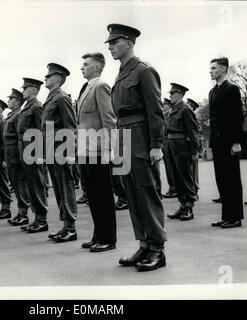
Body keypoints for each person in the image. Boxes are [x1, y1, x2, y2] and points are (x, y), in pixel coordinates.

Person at [106, 24, 166, 270]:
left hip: (140, 137)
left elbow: (156, 111)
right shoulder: (121, 73)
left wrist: (156, 145)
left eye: (114, 42)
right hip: (123, 137)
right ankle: (144, 245)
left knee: (146, 192)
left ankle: (157, 250)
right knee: (131, 193)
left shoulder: (144, 71)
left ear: (129, 42)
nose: (110, 47)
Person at [77, 52, 118, 252]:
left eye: (86, 64)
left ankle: (108, 238)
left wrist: (110, 148)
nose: (82, 67)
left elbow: (109, 119)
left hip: (98, 149)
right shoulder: (86, 87)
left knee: (103, 195)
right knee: (93, 195)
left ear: (97, 67)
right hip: (85, 150)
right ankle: (98, 234)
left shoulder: (101, 86)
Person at [42, 63, 78, 242]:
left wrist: (70, 153)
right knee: (57, 188)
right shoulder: (51, 98)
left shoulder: (62, 98)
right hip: (51, 149)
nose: (45, 79)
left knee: (66, 186)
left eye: (48, 76)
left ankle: (71, 227)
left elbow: (71, 126)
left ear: (57, 79)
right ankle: (65, 225)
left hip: (61, 149)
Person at [209, 57, 244, 228]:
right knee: (222, 179)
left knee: (232, 179)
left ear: (223, 69)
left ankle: (235, 217)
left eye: (214, 68)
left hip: (229, 142)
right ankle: (227, 216)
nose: (211, 71)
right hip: (217, 142)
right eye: (211, 68)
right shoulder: (213, 91)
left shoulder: (232, 89)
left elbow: (237, 117)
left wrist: (237, 142)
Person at [18, 78, 49, 233]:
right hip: (25, 148)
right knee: (31, 184)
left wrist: (40, 154)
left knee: (37, 184)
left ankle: (42, 220)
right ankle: (37, 218)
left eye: (25, 88)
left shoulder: (36, 106)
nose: (22, 91)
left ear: (34, 90)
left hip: (32, 149)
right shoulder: (27, 106)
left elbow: (40, 131)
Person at [165, 83, 199, 221]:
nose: (170, 96)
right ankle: (182, 205)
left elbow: (193, 132)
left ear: (180, 94)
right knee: (176, 178)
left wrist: (194, 151)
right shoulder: (174, 109)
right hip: (172, 145)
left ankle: (189, 207)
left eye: (172, 94)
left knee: (185, 177)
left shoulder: (185, 109)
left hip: (182, 145)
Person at [4, 89, 31, 226]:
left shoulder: (18, 115)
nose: (8, 101)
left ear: (18, 101)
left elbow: (19, 135)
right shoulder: (11, 115)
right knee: (15, 182)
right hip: (10, 153)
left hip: (15, 151)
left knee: (20, 183)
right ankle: (20, 212)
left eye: (11, 99)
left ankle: (23, 213)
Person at [161, 98, 177, 198]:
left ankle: (175, 188)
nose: (163, 106)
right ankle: (172, 187)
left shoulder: (170, 115)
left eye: (165, 105)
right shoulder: (164, 116)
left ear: (169, 106)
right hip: (164, 142)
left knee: (172, 167)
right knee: (168, 167)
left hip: (169, 141)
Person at [186, 98, 202, 197]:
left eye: (188, 105)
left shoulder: (194, 117)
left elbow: (197, 133)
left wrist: (196, 150)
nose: (186, 105)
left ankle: (195, 190)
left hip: (192, 147)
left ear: (192, 107)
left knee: (193, 171)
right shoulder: (187, 115)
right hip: (186, 146)